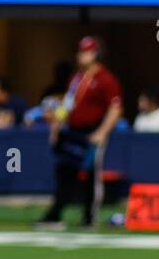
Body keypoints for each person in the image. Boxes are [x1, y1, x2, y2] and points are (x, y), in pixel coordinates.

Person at [38, 36, 122, 229]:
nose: (82, 56)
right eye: (81, 52)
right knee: (64, 172)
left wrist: (102, 132)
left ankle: (89, 217)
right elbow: (68, 105)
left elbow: (115, 109)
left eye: (87, 52)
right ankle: (55, 214)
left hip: (92, 130)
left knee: (91, 174)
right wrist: (58, 124)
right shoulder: (76, 78)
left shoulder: (105, 79)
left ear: (96, 54)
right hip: (72, 130)